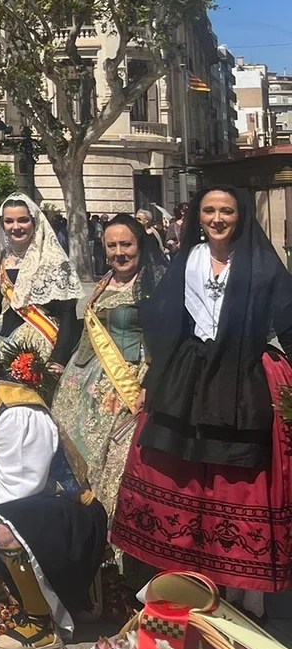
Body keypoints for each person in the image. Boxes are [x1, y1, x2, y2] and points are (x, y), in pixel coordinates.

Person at [112, 186, 292, 605]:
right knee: (182, 466)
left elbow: (288, 317)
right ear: (198, 216)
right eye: (209, 211)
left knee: (238, 476)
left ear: (240, 215)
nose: (216, 219)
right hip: (188, 377)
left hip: (242, 374)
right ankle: (185, 568)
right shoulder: (187, 258)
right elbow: (164, 316)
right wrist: (154, 377)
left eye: (225, 211)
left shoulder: (263, 264)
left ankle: (246, 586)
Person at [0, 327, 106, 649]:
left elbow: (18, 492)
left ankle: (42, 622)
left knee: (3, 530)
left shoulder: (16, 411)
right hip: (34, 508)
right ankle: (5, 593)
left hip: (69, 514)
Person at [50, 213, 155, 503]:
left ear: (140, 246)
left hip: (124, 384)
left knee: (113, 460)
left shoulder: (151, 286)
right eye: (112, 246)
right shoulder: (105, 280)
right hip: (81, 384)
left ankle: (107, 529)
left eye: (126, 244)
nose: (119, 253)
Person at [0, 194, 81, 365]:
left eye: (23, 220)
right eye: (9, 221)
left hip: (40, 342)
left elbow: (68, 315)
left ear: (34, 222)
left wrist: (58, 360)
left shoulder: (54, 260)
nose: (16, 227)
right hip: (2, 339)